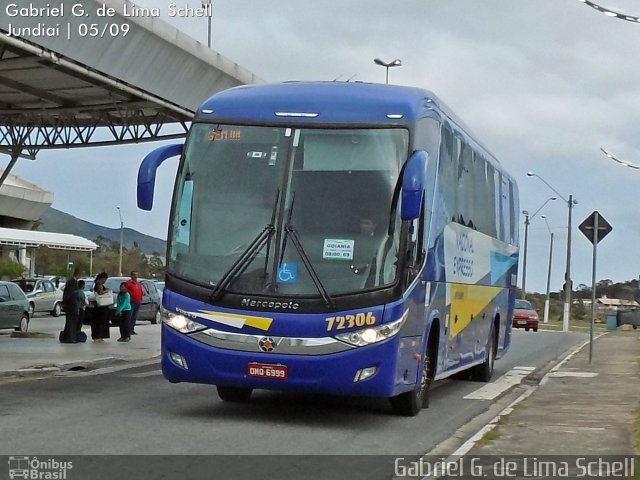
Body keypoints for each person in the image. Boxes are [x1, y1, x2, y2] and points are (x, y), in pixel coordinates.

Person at [61, 268, 82, 343]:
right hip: (72, 306)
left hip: (69, 305)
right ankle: (70, 338)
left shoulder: (70, 282)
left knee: (69, 322)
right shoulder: (73, 282)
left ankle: (67, 337)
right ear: (78, 274)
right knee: (71, 322)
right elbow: (72, 294)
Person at [91, 272, 111, 343]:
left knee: (99, 321)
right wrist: (107, 291)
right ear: (102, 278)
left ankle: (99, 336)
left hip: (99, 306)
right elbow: (100, 292)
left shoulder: (97, 283)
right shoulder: (99, 284)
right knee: (100, 321)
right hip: (101, 307)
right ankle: (98, 336)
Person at [124, 271, 143, 335]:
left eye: (137, 275)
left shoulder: (138, 284)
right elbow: (124, 291)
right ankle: (127, 330)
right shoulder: (128, 283)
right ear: (131, 276)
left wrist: (141, 299)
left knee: (134, 316)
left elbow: (141, 291)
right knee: (130, 316)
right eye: (134, 275)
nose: (136, 276)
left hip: (138, 302)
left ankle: (132, 330)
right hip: (131, 302)